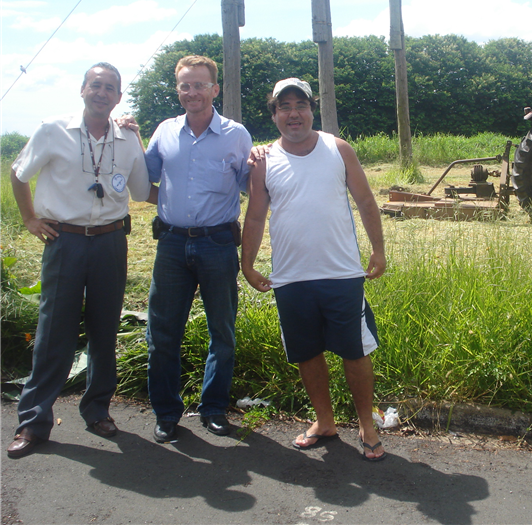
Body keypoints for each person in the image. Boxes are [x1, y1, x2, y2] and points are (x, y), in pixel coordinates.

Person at [7, 63, 151, 458]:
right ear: (83, 90)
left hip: (110, 242)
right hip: (65, 241)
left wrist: (139, 139)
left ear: (119, 97)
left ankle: (98, 409)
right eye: (96, 85)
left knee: (105, 329)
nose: (102, 93)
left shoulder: (126, 138)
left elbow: (141, 192)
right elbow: (19, 174)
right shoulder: (53, 129)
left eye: (110, 88)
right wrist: (30, 219)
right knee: (55, 330)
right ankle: (33, 422)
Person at [241, 78, 388, 461]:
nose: (294, 114)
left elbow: (366, 201)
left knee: (355, 352)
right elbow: (255, 217)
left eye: (300, 105)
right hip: (290, 278)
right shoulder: (264, 160)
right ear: (274, 115)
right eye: (284, 107)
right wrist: (247, 264)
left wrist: (378, 249)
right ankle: (324, 422)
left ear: (311, 109)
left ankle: (367, 426)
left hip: (342, 274)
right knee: (307, 353)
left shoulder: (338, 149)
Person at [144, 55, 252, 443]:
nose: (193, 92)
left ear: (215, 89)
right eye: (185, 85)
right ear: (178, 90)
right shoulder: (164, 131)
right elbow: (144, 180)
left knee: (221, 331)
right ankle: (167, 413)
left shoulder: (236, 134)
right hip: (171, 243)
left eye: (200, 85)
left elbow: (251, 187)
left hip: (218, 244)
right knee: (162, 333)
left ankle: (213, 410)